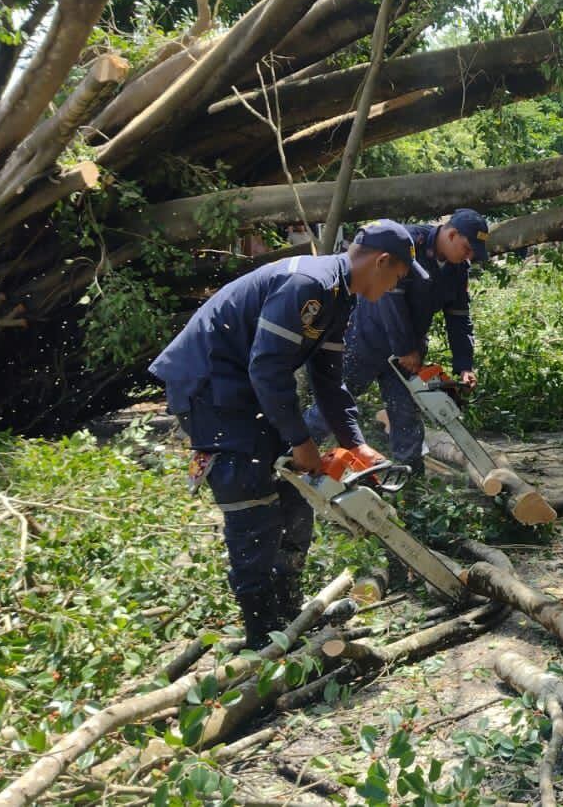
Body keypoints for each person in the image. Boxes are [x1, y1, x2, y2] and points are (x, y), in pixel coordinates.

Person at [149, 221, 428, 647]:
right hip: (210, 385)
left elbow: (329, 381)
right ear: (382, 261)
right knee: (252, 497)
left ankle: (287, 613)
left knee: (295, 496)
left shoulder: (340, 297)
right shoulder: (308, 284)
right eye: (397, 277)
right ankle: (262, 632)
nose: (395, 286)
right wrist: (301, 441)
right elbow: (267, 367)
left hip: (247, 387)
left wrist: (355, 444)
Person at [305, 210, 490, 472]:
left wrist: (464, 365)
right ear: (451, 234)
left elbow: (459, 317)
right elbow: (389, 299)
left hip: (410, 350)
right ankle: (295, 454)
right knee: (335, 402)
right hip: (367, 338)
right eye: (467, 248)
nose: (468, 256)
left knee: (406, 414)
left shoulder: (458, 269)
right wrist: (404, 348)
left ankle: (410, 479)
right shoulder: (408, 243)